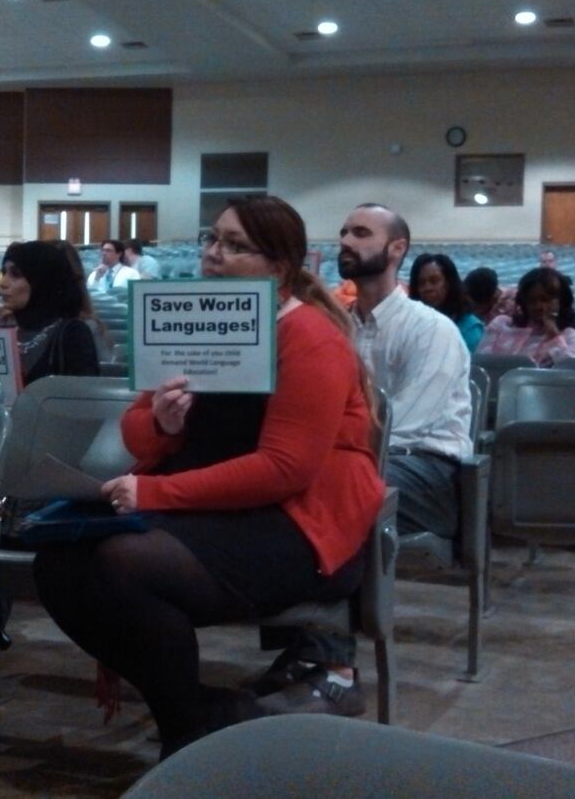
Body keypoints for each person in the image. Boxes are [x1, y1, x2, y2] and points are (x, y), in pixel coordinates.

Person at [33, 196, 384, 760]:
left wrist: (155, 491)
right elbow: (135, 429)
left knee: (124, 564)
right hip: (213, 512)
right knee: (59, 564)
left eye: (235, 245)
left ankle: (186, 731)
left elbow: (285, 468)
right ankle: (199, 716)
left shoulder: (309, 338)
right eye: (212, 239)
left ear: (278, 267)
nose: (214, 254)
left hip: (296, 528)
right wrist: (165, 423)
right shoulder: (196, 316)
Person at [254, 203, 472, 717]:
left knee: (330, 484)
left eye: (361, 232)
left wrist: (317, 452)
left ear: (397, 250)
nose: (346, 241)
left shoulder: (431, 329)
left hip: (426, 473)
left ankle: (335, 668)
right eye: (344, 231)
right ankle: (304, 650)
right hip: (362, 466)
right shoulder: (336, 327)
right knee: (286, 481)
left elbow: (408, 427)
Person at [0, 240, 101, 384]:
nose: (2, 283)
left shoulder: (73, 334)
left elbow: (81, 401)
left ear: (41, 280)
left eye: (16, 274)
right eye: (4, 273)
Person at [476, 267, 575, 366]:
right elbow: (481, 361)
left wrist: (553, 335)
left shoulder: (569, 336)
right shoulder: (501, 324)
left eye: (545, 300)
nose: (538, 306)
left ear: (561, 301)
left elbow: (569, 370)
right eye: (532, 300)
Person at [408, 253, 483, 352]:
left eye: (434, 281)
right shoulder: (410, 324)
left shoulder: (470, 328)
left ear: (449, 283)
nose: (427, 288)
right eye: (421, 283)